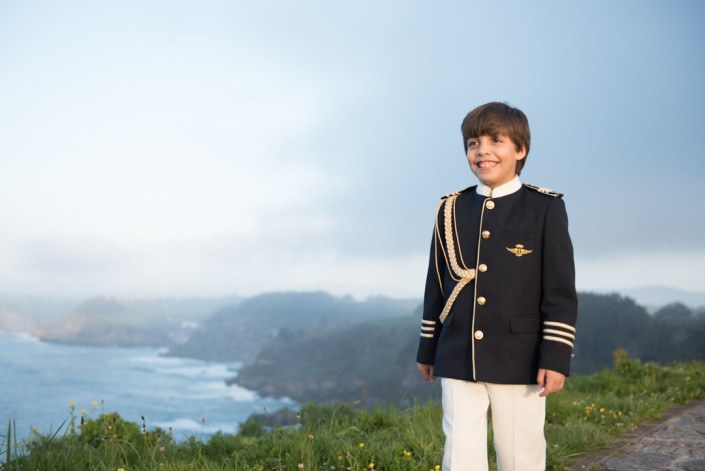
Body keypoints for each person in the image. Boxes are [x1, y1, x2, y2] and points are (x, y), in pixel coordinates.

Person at [416, 102, 578, 471]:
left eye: (495, 140)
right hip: (457, 351)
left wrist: (555, 357)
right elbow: (436, 281)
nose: (482, 151)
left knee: (520, 454)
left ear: (520, 150)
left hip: (519, 356)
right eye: (473, 143)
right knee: (460, 454)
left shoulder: (544, 208)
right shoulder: (450, 209)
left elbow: (560, 291)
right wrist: (429, 347)